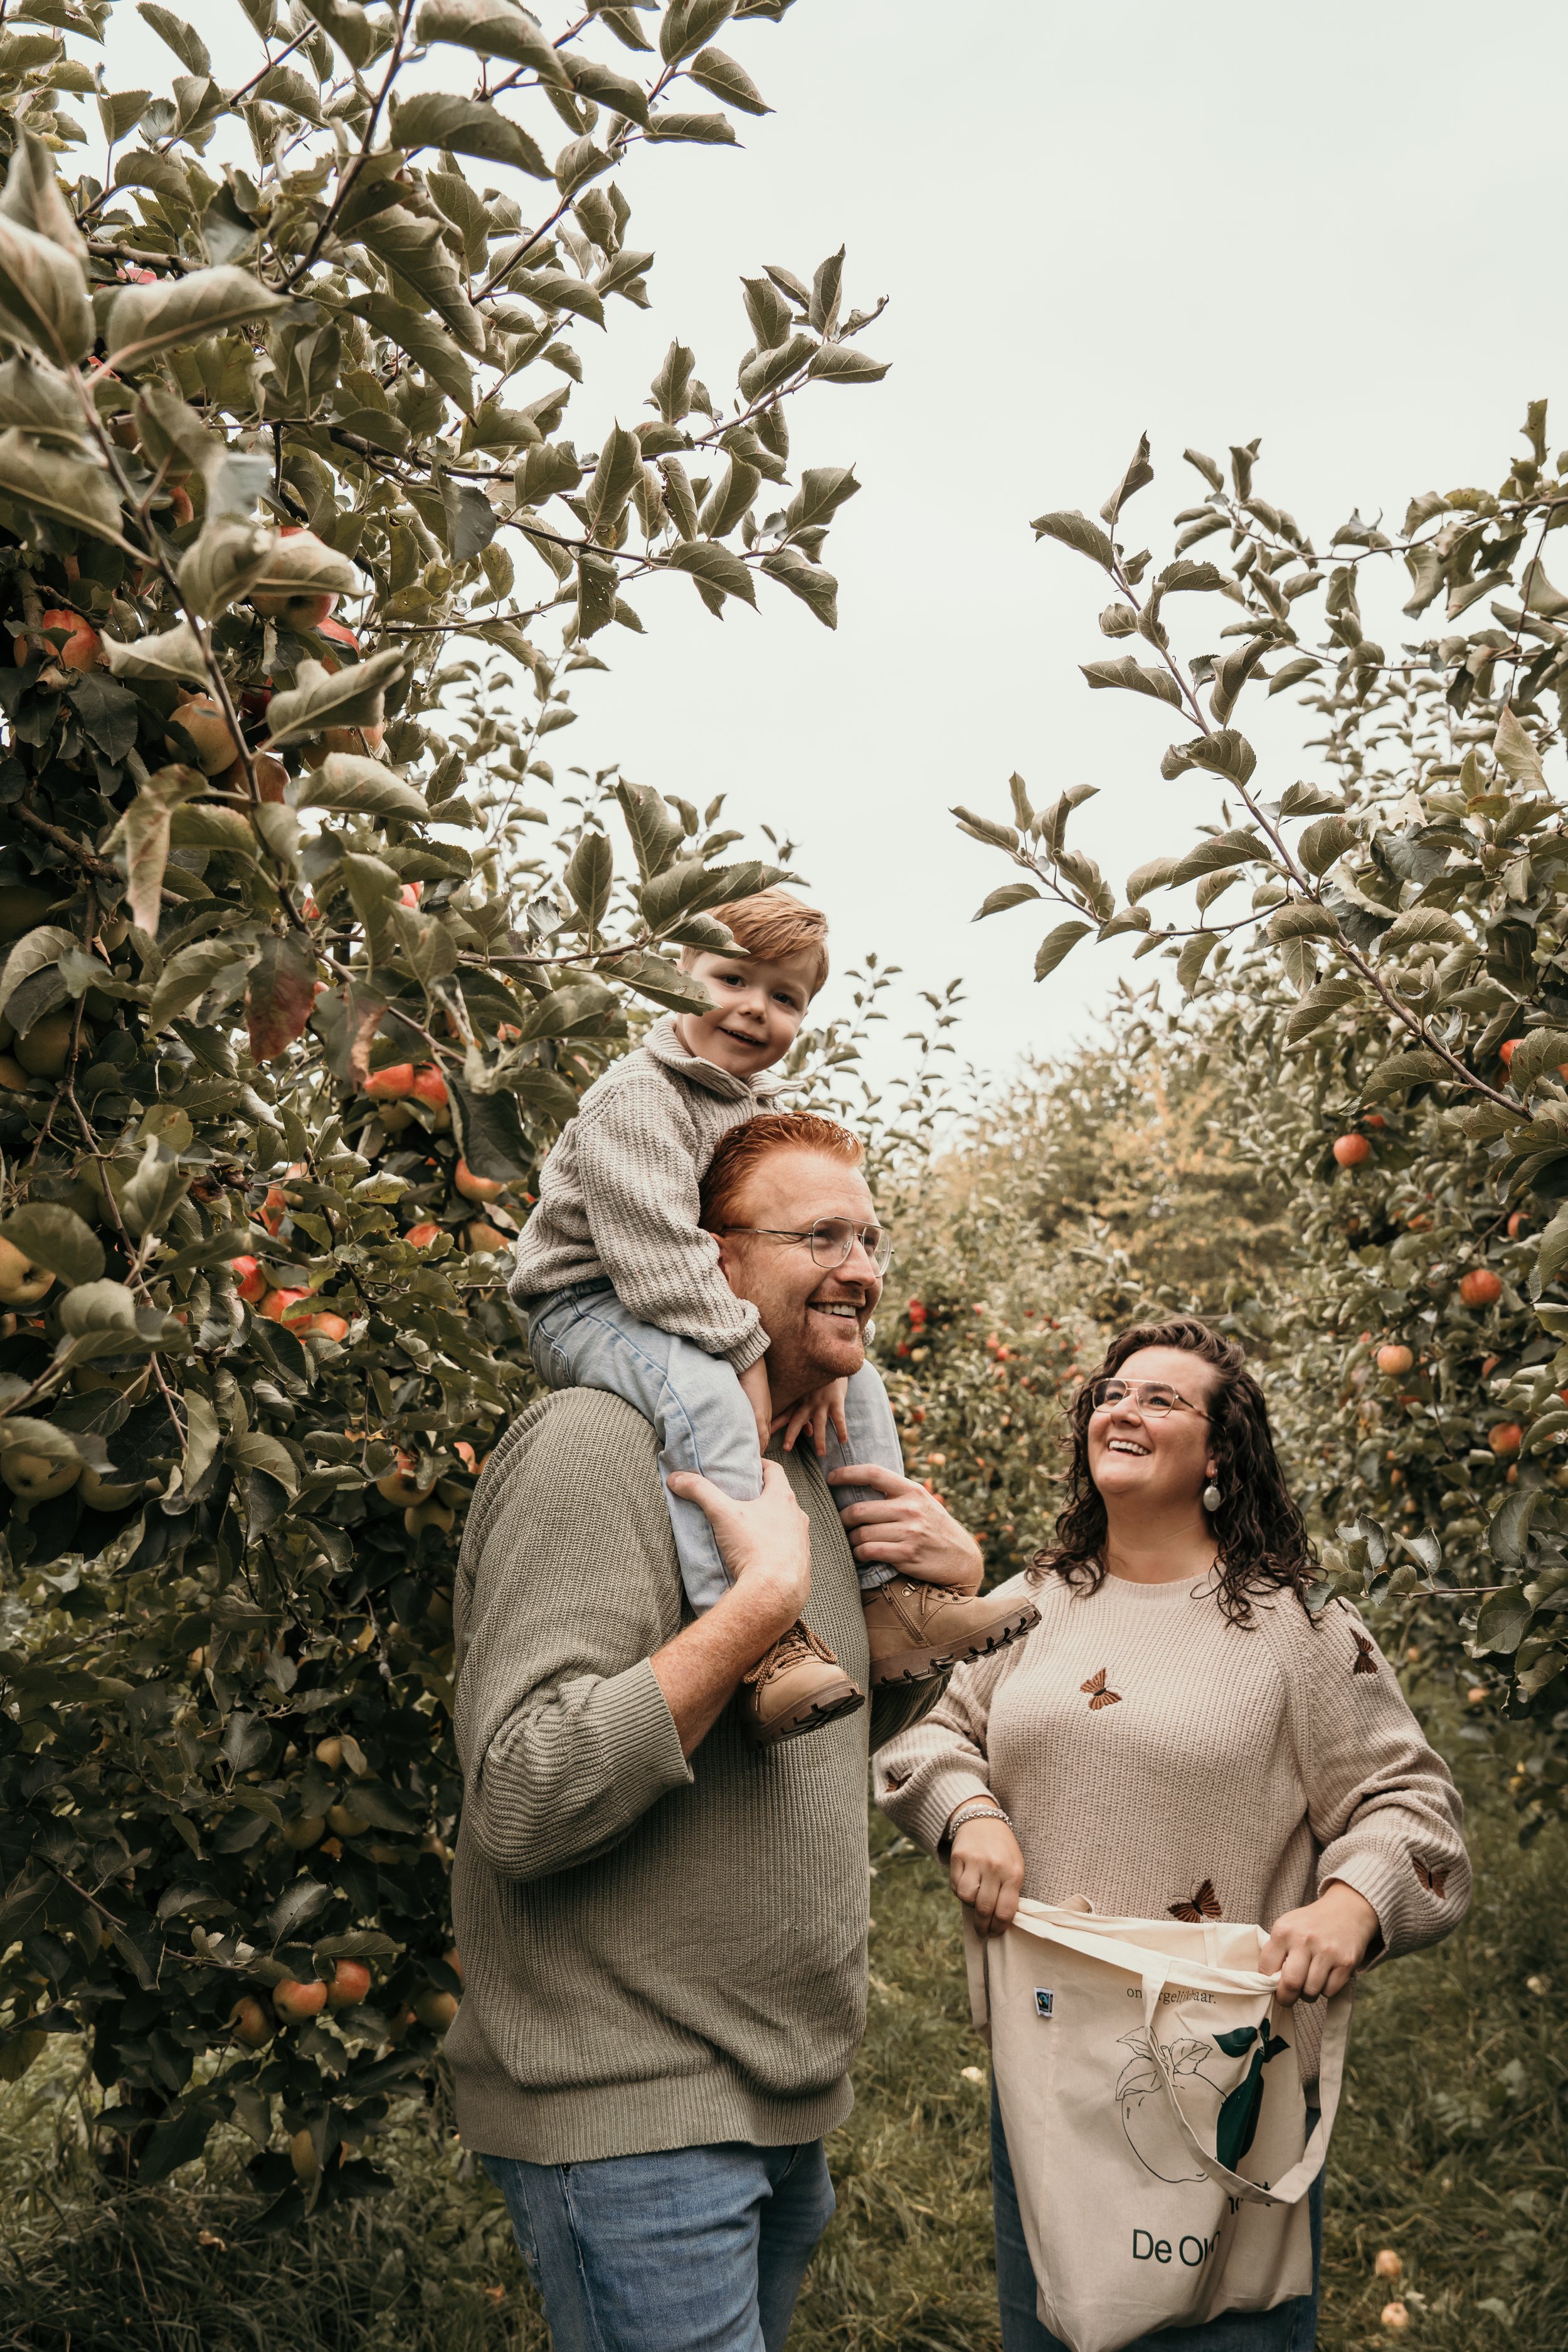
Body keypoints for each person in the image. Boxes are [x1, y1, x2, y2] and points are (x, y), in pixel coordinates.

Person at [450, 1112, 1004, 2352]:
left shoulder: (800, 1466)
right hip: (633, 2105)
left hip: (779, 2094)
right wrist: (751, 1608)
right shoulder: (596, 1449)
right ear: (701, 1266)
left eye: (869, 1235)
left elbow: (814, 1750)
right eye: (819, 1234)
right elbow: (524, 1797)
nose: (861, 1265)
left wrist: (932, 1619)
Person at [874, 1317, 1471, 2352]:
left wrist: (1352, 1899)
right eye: (1113, 1391)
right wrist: (968, 1812)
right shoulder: (1034, 1600)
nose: (1125, 1407)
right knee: (1057, 2322)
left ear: (1219, 1454)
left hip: (1219, 2074)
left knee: (1217, 2332)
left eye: (1162, 1398)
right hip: (1051, 2057)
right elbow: (923, 1731)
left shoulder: (1297, 1624)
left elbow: (1412, 1803)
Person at [511, 886, 1035, 1743]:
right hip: (589, 1298)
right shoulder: (637, 1098)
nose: (756, 1009)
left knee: (855, 1379)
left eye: (785, 995)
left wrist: (820, 1359)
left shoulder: (756, 1112)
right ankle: (759, 1643)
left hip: (691, 1300)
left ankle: (889, 1597)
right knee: (709, 1399)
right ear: (679, 974)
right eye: (731, 978)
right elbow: (659, 1256)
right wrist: (754, 1352)